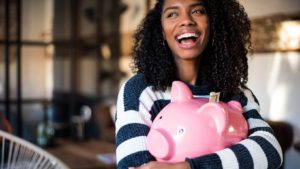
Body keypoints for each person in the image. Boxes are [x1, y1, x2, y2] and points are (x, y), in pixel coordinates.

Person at [115, 0, 283, 168]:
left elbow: (271, 152)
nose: (186, 20)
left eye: (197, 11)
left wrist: (189, 167)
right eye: (172, 14)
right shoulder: (141, 90)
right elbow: (133, 165)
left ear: (213, 23)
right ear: (161, 30)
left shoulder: (236, 93)